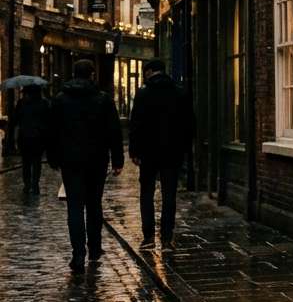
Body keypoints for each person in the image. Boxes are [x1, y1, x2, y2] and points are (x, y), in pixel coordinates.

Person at [46, 59, 123, 274]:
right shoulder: (102, 100)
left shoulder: (60, 99)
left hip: (70, 161)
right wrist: (117, 160)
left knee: (75, 207)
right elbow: (114, 132)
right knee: (94, 205)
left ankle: (78, 254)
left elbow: (52, 132)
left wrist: (53, 158)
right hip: (97, 160)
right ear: (91, 75)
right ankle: (95, 248)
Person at [128, 58, 192, 251]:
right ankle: (167, 238)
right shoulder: (180, 92)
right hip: (172, 152)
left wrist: (134, 151)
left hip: (148, 152)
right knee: (169, 194)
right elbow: (189, 124)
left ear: (148, 72)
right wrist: (185, 148)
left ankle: (148, 238)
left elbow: (135, 125)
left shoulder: (143, 93)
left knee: (146, 193)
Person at [10, 84, 50, 195]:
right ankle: (34, 184)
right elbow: (49, 120)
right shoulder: (44, 103)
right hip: (39, 138)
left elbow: (15, 119)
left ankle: (27, 185)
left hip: (25, 137)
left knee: (26, 162)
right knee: (36, 162)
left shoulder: (22, 103)